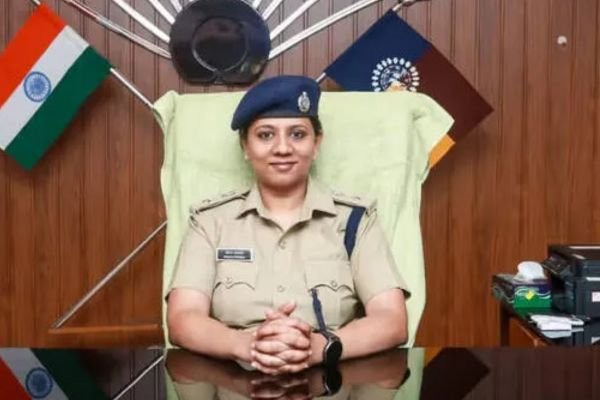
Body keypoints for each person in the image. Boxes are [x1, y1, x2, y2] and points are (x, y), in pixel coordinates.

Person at [166, 75, 409, 376]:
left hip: (331, 381)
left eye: (297, 134)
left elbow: (392, 320)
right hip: (232, 380)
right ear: (245, 146)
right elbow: (182, 317)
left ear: (316, 144)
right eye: (265, 135)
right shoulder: (210, 221)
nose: (282, 148)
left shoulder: (355, 220)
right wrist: (246, 345)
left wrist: (321, 347)